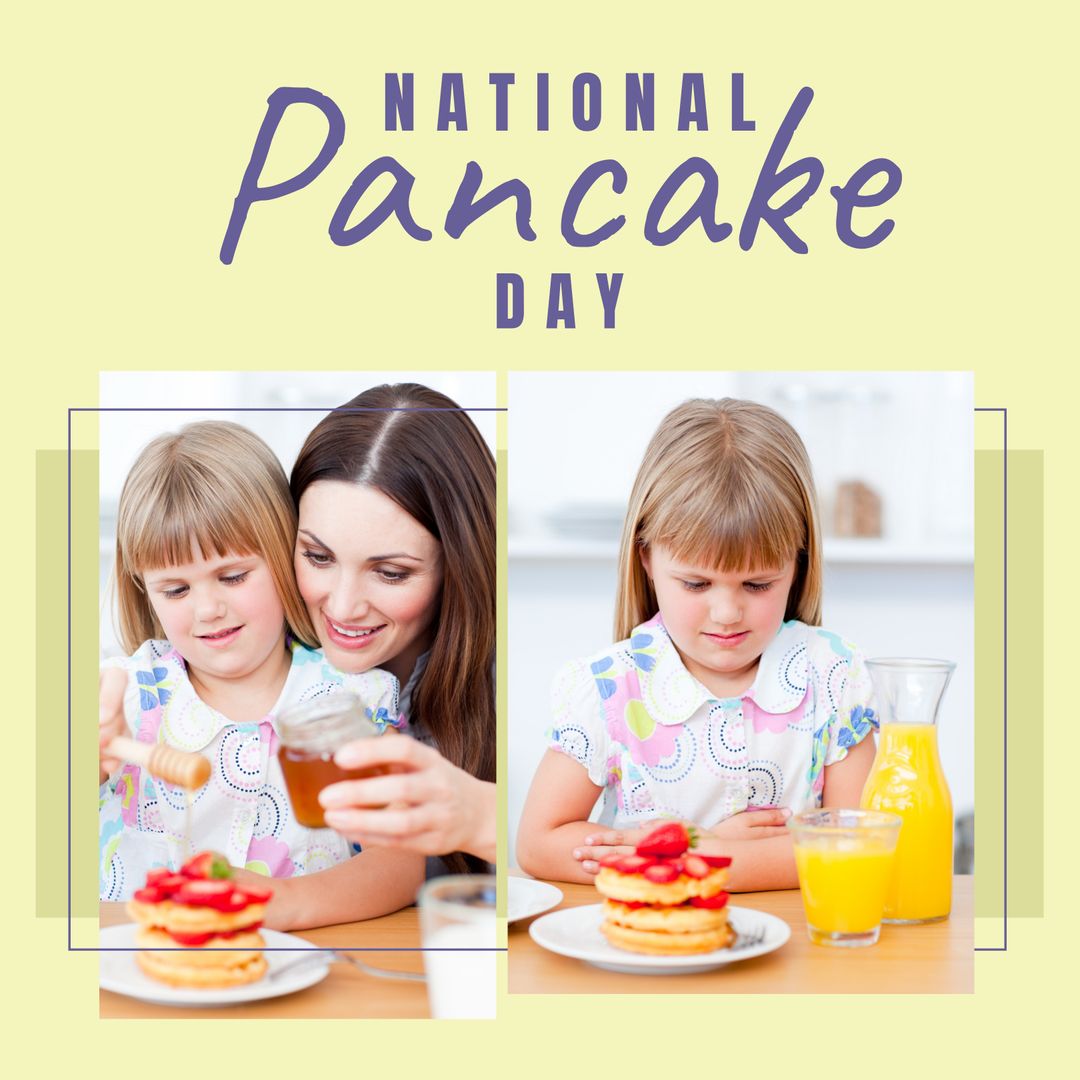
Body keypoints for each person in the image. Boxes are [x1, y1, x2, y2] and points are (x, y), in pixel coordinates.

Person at [515, 398, 879, 890]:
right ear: (646, 558)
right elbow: (539, 844)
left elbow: (859, 845)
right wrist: (692, 848)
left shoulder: (834, 675)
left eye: (757, 585)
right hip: (648, 948)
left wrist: (715, 857)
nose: (727, 613)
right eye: (695, 584)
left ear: (799, 562)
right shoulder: (609, 688)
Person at [98, 421, 424, 928]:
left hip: (304, 969)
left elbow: (399, 866)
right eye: (175, 590)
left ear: (285, 556)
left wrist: (283, 904)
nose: (208, 609)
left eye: (233, 576)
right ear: (144, 590)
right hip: (142, 971)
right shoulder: (122, 697)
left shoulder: (352, 698)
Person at [288, 383, 497, 869]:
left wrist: (479, 816)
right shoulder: (255, 664)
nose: (342, 607)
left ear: (458, 565)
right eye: (318, 557)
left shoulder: (505, 691)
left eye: (390, 573)